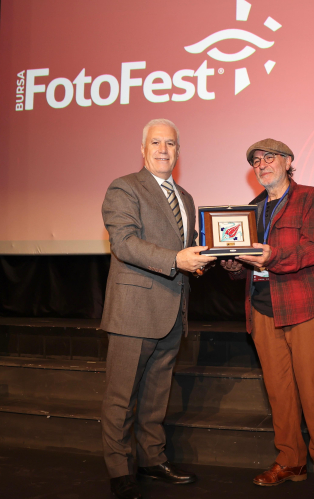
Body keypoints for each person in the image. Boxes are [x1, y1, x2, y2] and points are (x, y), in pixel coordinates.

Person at [220, 139, 314, 499]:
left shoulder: (309, 197)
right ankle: (291, 461)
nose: (261, 164)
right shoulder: (251, 210)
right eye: (256, 161)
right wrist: (231, 262)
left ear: (288, 161)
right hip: (261, 308)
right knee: (279, 393)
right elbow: (245, 261)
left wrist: (271, 256)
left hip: (303, 306)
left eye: (269, 157)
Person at [100, 118, 215, 499]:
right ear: (143, 149)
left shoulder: (186, 198)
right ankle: (120, 470)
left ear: (179, 151)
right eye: (156, 143)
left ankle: (151, 459)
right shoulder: (124, 187)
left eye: (170, 144)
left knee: (155, 396)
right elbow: (124, 243)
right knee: (121, 398)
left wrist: (212, 257)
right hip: (133, 311)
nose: (163, 150)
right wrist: (177, 260)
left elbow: (188, 248)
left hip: (172, 311)